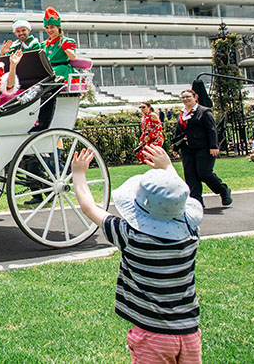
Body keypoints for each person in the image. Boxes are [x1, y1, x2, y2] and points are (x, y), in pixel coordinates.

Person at [72, 145, 204, 364]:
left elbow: (89, 207)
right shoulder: (190, 233)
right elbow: (177, 198)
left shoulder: (131, 237)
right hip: (190, 333)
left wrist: (78, 174)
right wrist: (168, 167)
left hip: (152, 335)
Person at [173, 89, 232, 207]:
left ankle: (223, 189)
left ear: (195, 97)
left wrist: (214, 146)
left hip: (203, 147)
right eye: (183, 97)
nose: (185, 99)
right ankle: (197, 202)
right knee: (190, 175)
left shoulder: (204, 112)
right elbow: (179, 132)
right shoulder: (182, 114)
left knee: (204, 173)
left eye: (188, 96)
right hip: (187, 148)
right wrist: (175, 147)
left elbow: (212, 129)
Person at [31, 6, 78, 133]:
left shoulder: (66, 41)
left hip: (61, 71)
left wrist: (65, 48)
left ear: (58, 27)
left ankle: (44, 123)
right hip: (49, 71)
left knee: (46, 89)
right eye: (47, 28)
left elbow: (72, 57)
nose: (49, 30)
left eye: (52, 27)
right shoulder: (44, 44)